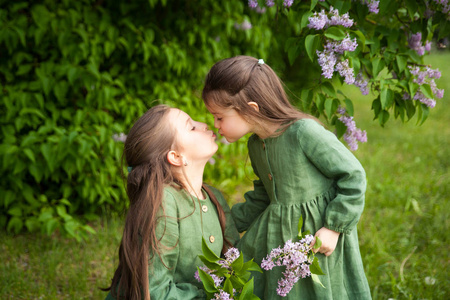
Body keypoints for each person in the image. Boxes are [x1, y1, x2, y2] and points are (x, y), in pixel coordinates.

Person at [201, 55, 371, 299]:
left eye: (219, 117)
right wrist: (221, 223)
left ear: (251, 109)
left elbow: (353, 175)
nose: (216, 125)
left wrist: (334, 227)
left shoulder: (303, 133)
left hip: (317, 239)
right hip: (278, 242)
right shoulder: (256, 144)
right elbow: (263, 198)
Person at [104, 105, 240, 300]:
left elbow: (234, 257)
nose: (203, 124)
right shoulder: (164, 202)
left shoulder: (213, 197)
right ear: (176, 157)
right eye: (191, 127)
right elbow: (155, 292)